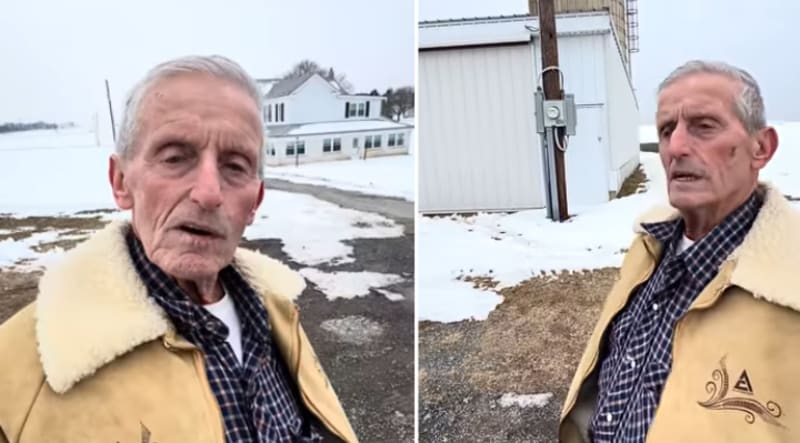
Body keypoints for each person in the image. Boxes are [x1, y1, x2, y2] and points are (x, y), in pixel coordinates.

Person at [0, 55, 357, 443]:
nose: (208, 193)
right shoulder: (19, 369)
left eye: (235, 165)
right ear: (120, 181)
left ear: (255, 201)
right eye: (175, 157)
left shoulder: (279, 311)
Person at [560, 60, 800, 442]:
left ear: (761, 148)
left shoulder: (789, 286)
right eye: (667, 130)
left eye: (704, 126)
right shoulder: (648, 245)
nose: (676, 147)